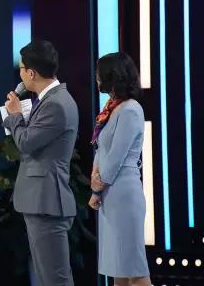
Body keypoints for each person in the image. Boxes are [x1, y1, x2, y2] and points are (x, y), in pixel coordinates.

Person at [3, 40, 78, 286]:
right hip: (40, 201)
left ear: (31, 73)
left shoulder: (56, 103)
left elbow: (26, 142)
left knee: (55, 279)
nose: (20, 75)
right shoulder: (50, 100)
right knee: (46, 277)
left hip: (47, 201)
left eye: (21, 69)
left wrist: (15, 116)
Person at [88, 52, 151, 286]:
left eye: (99, 74)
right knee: (118, 270)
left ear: (111, 76)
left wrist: (97, 187)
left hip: (124, 195)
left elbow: (116, 156)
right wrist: (95, 177)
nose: (96, 78)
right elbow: (101, 148)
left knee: (134, 271)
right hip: (110, 195)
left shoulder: (130, 110)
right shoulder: (111, 108)